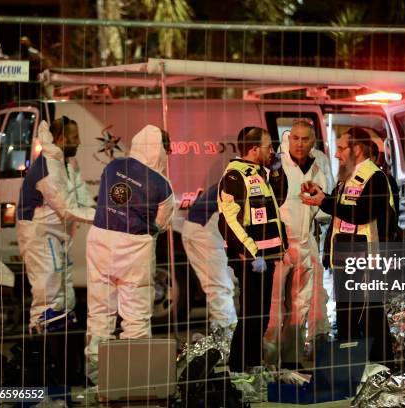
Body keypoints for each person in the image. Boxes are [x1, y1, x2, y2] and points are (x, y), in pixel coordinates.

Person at [85, 124, 175, 384]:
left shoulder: (113, 167)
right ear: (160, 149)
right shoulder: (162, 184)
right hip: (135, 250)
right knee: (136, 315)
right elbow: (162, 222)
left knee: (100, 312)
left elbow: (103, 198)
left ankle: (97, 376)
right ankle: (133, 380)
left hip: (100, 242)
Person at [300, 126, 397, 364]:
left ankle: (381, 367)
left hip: (366, 259)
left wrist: (325, 202)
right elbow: (338, 213)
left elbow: (361, 214)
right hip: (344, 258)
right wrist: (320, 195)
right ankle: (350, 370)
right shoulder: (348, 177)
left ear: (357, 149)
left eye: (341, 148)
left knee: (370, 317)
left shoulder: (376, 177)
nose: (336, 154)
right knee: (346, 318)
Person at [218, 126, 288, 372]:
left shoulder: (259, 172)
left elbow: (279, 200)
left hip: (267, 256)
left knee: (261, 317)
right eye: (269, 146)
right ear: (255, 149)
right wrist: (252, 253)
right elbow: (228, 220)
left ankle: (253, 364)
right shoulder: (235, 175)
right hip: (250, 258)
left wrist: (277, 170)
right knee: (251, 316)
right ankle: (238, 369)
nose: (272, 151)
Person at [16, 117, 95, 333]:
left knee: (62, 285)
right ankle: (42, 343)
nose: (79, 142)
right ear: (60, 138)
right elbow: (67, 208)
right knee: (47, 288)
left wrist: (100, 212)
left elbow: (81, 195)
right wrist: (105, 218)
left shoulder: (66, 163)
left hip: (57, 233)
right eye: (74, 137)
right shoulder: (49, 168)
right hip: (40, 235)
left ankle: (61, 342)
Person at [264, 119, 332, 365]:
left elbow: (324, 208)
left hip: (306, 242)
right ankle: (268, 360)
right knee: (273, 307)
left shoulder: (317, 168)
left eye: (305, 139)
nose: (299, 144)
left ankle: (291, 359)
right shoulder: (276, 165)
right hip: (279, 245)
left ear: (312, 142)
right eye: (295, 138)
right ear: (288, 138)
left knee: (300, 305)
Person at [182, 183, 238, 340]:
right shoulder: (248, 177)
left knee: (220, 286)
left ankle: (223, 335)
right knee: (220, 286)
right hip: (204, 229)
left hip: (202, 227)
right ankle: (225, 340)